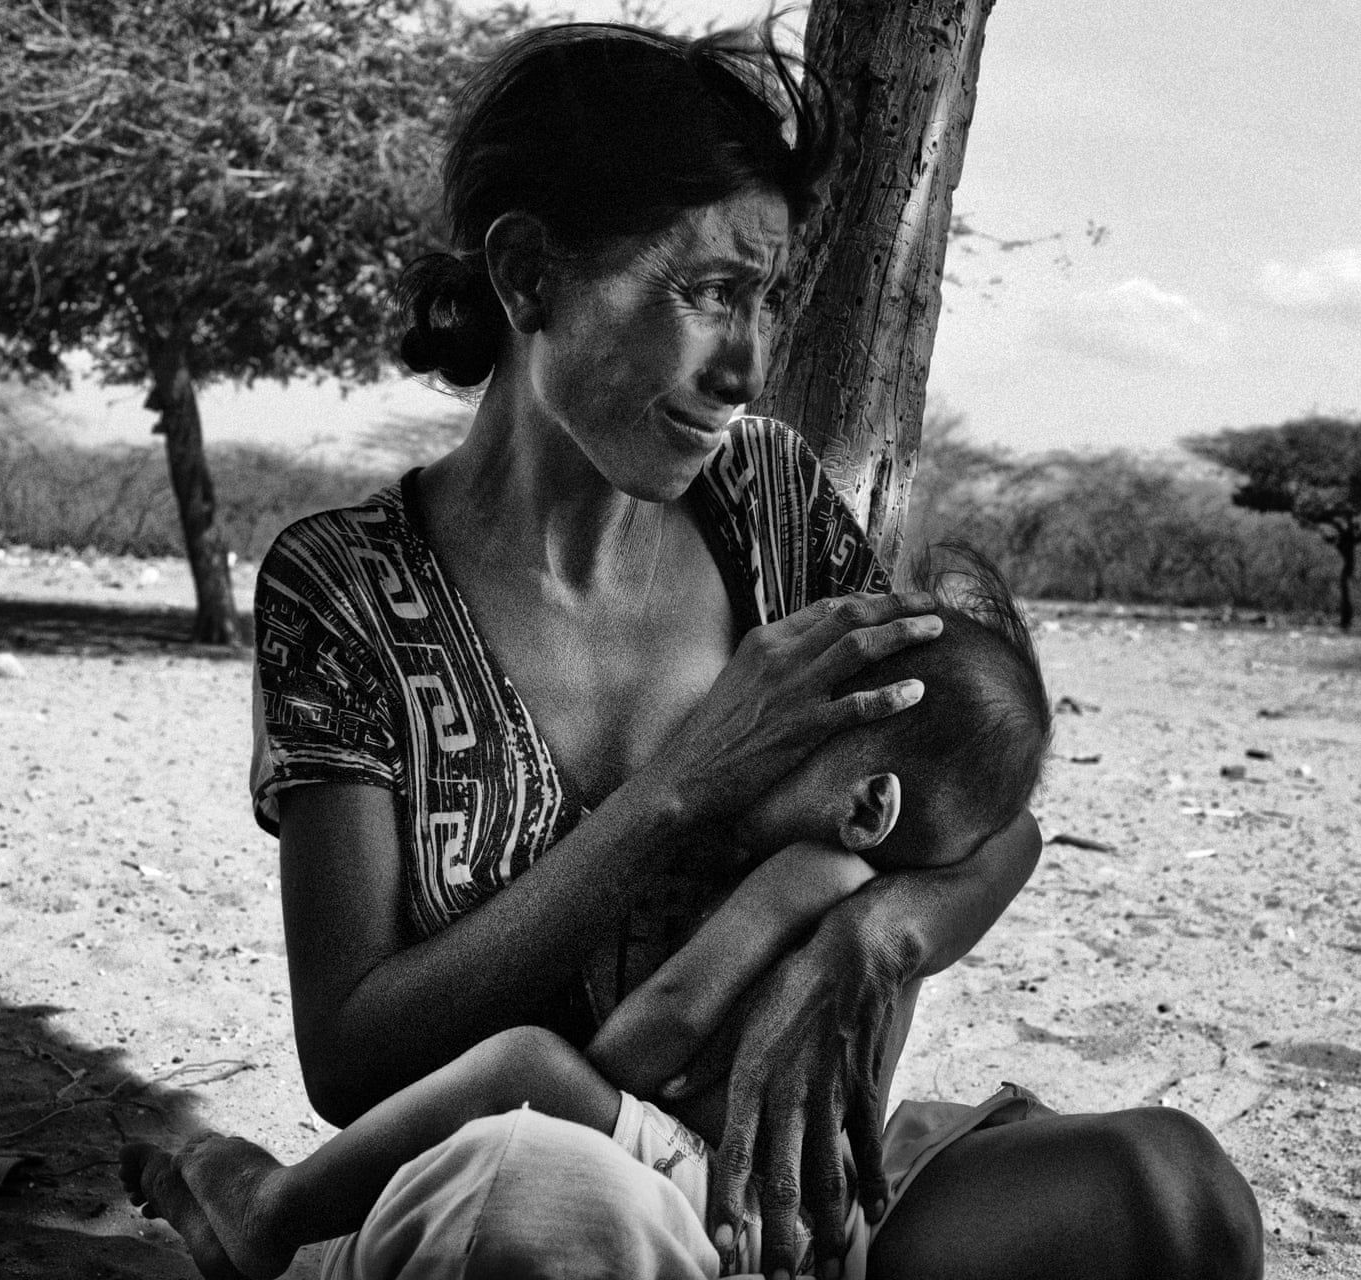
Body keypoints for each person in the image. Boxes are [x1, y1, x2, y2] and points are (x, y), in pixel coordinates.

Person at [234, 18, 1263, 1280]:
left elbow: (989, 813)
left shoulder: (769, 503)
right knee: (554, 1206)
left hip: (781, 1212)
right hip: (493, 1195)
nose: (747, 363)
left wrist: (870, 937)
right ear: (528, 278)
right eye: (708, 292)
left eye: (763, 298)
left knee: (1170, 1189)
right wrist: (677, 793)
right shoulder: (344, 587)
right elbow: (349, 1058)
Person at [127, 575, 1055, 1280]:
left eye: (794, 743)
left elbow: (676, 1013)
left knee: (527, 1064)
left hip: (708, 1190)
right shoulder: (899, 893)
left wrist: (600, 1077)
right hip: (821, 1221)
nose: (759, 753)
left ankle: (276, 1209)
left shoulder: (810, 873)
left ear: (867, 807)